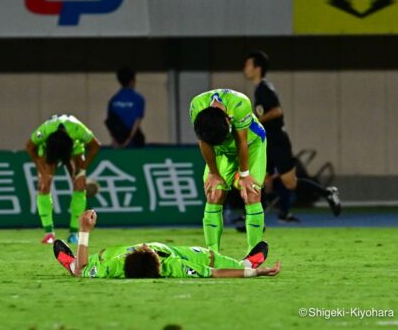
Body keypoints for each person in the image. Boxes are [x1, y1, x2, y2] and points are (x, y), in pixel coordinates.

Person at [243, 50, 341, 222]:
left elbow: (277, 111)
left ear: (257, 68)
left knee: (289, 182)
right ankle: (255, 218)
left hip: (278, 141)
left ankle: (328, 193)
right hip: (268, 142)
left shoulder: (265, 88)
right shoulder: (260, 89)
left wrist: (256, 120)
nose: (245, 68)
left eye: (248, 65)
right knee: (258, 178)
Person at [53, 210, 281, 279]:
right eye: (147, 249)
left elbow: (82, 274)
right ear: (159, 262)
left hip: (108, 256)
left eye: (143, 248)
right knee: (208, 256)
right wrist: (255, 272)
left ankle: (69, 262)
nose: (144, 245)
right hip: (178, 253)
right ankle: (245, 262)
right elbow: (216, 273)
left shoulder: (114, 265)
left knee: (80, 268)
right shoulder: (175, 265)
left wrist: (84, 231)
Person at [190, 89, 267, 253]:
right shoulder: (196, 106)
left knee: (252, 193)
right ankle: (212, 255)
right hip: (221, 151)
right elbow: (204, 141)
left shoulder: (239, 104)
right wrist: (214, 173)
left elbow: (242, 143)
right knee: (214, 194)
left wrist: (245, 175)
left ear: (228, 120)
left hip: (252, 145)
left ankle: (253, 254)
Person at [26, 114, 101, 244]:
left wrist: (82, 169)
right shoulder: (44, 131)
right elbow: (30, 147)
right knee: (44, 184)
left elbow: (96, 146)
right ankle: (49, 234)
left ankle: (73, 233)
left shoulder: (78, 129)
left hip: (74, 149)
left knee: (79, 184)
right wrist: (42, 170)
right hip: (48, 149)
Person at [105, 67, 145, 148]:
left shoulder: (113, 100)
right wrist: (128, 140)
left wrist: (115, 140)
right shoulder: (138, 99)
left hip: (118, 141)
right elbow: (137, 122)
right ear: (132, 81)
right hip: (133, 142)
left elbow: (110, 122)